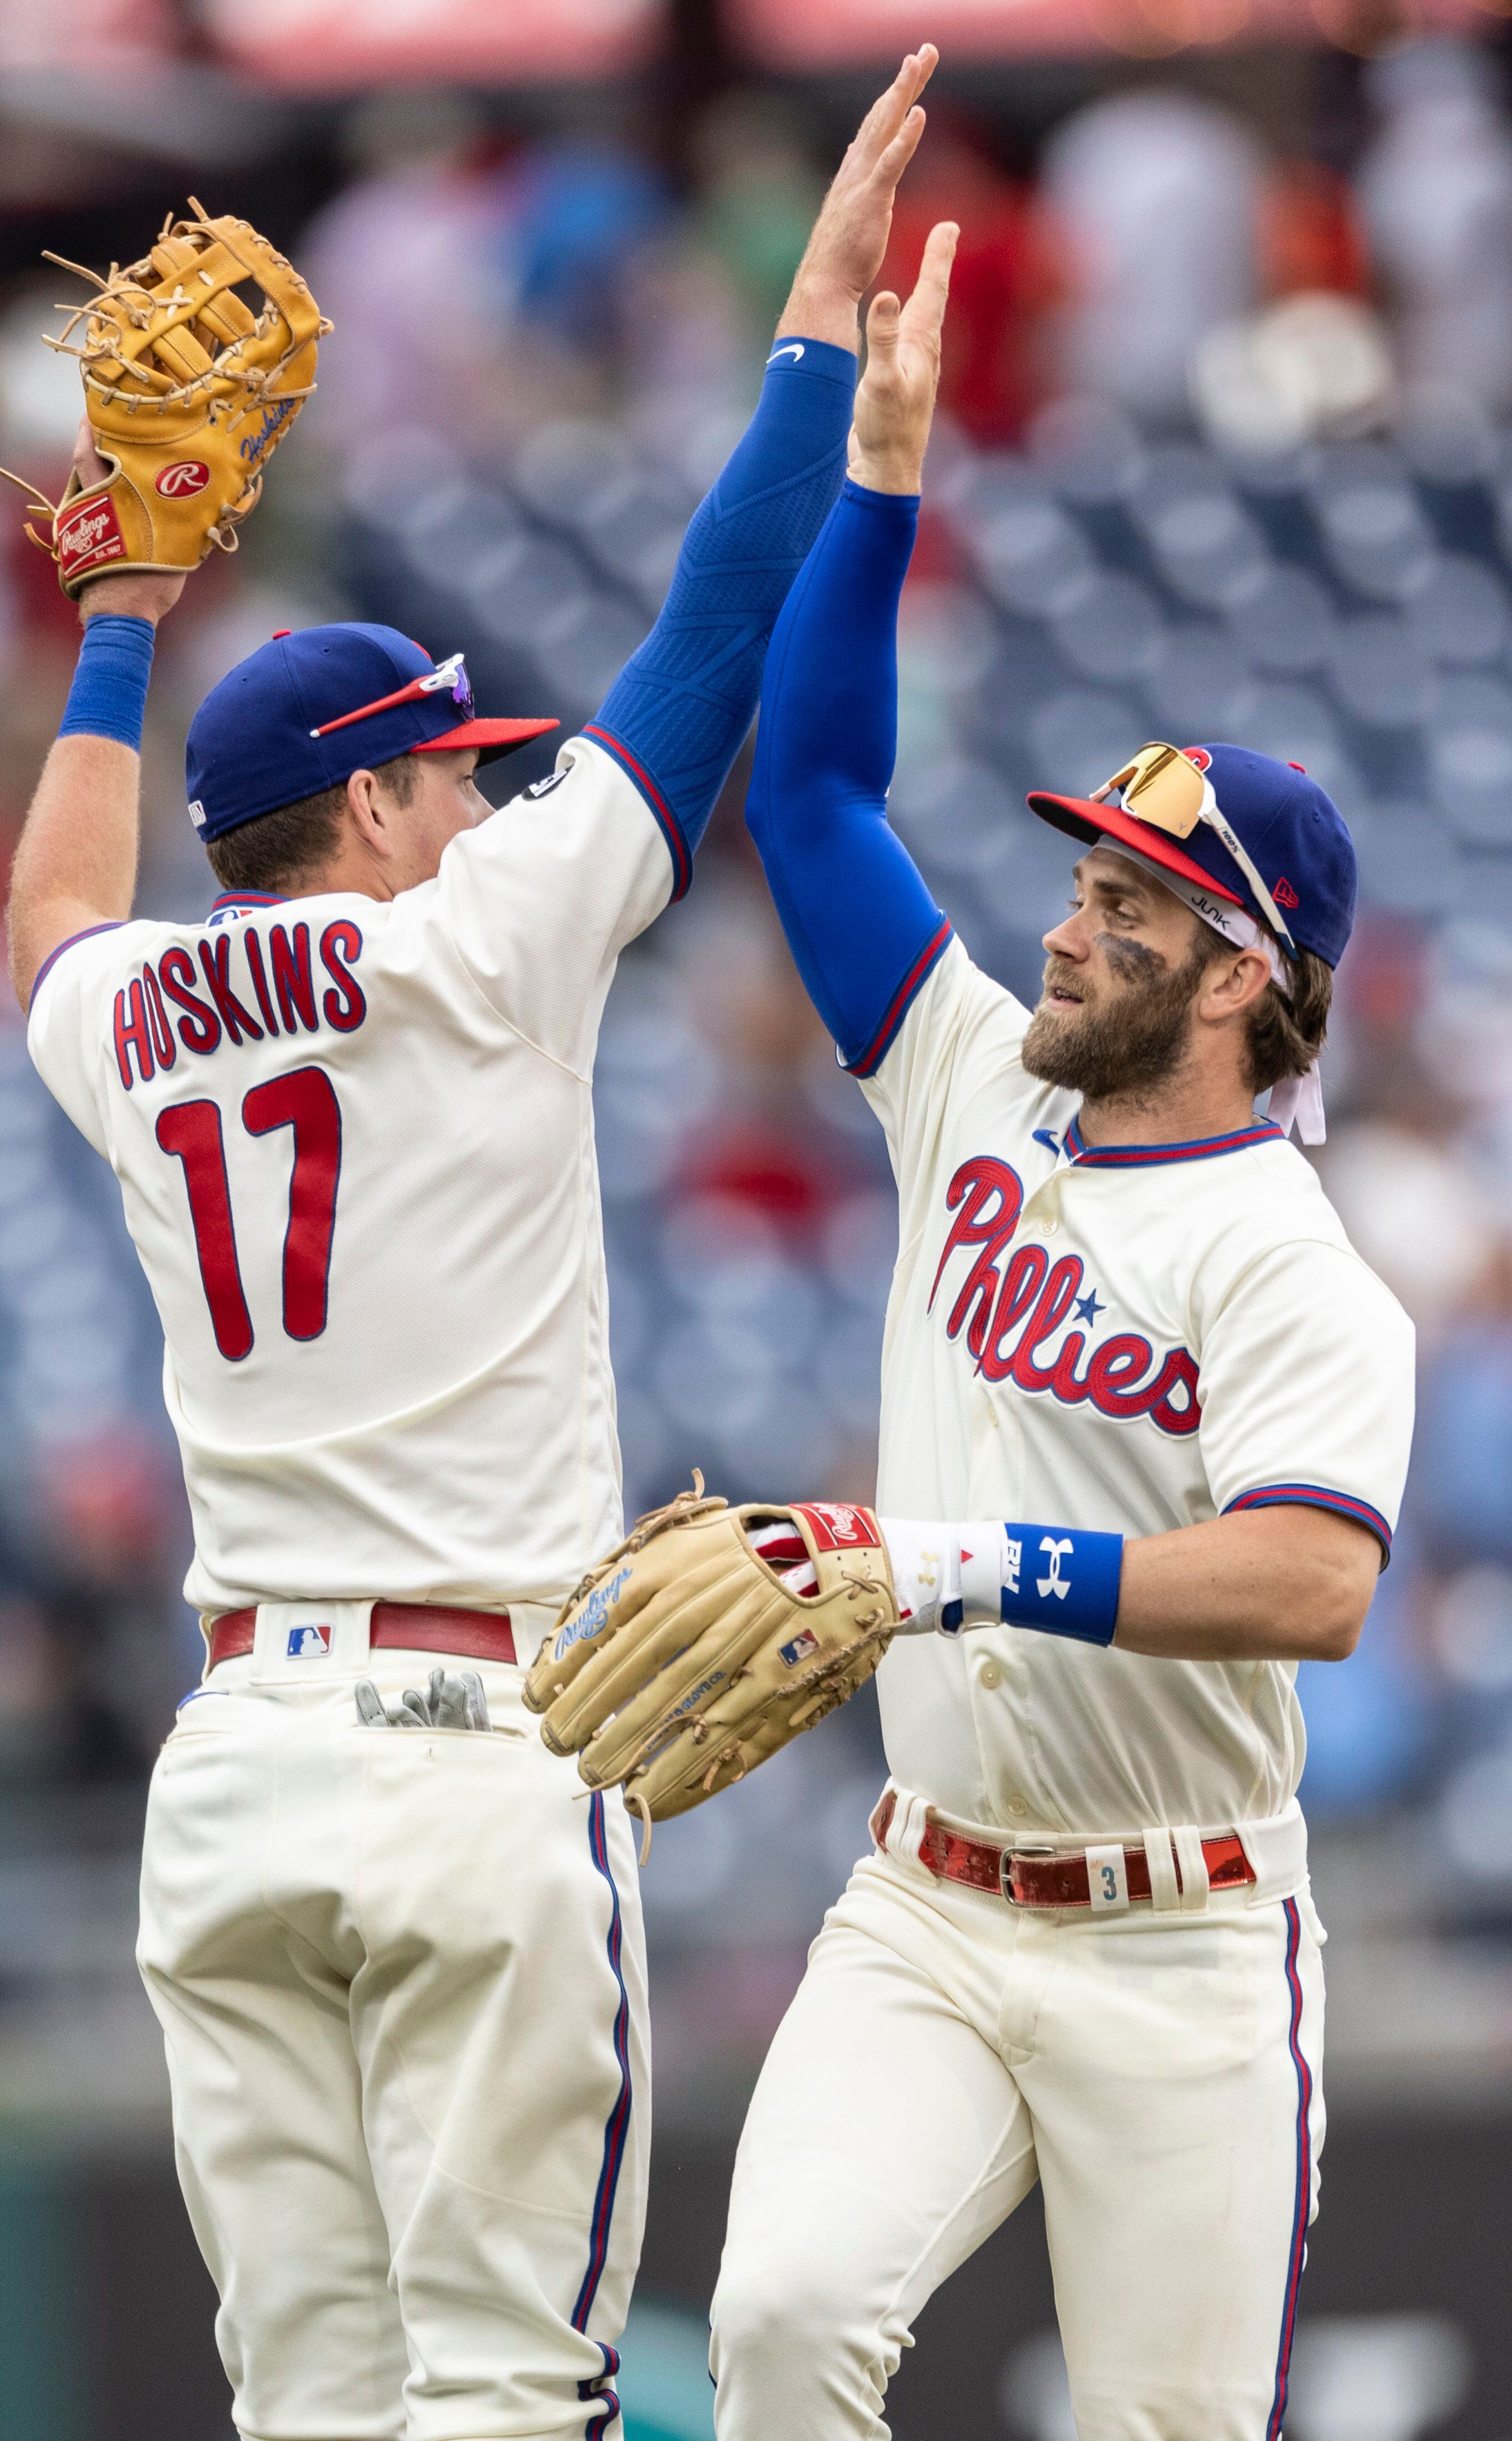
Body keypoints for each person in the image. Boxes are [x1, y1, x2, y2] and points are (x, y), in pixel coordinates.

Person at [2, 51, 939, 2441]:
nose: (498, 795)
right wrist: (812, 339)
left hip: (230, 1769)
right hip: (471, 1745)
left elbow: (46, 909)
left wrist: (117, 609)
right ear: (389, 800)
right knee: (510, 2398)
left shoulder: (128, 1010)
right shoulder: (477, 942)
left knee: (307, 2404)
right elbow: (708, 648)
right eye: (460, 770)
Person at [706, 218, 1416, 2438]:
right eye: (1084, 879)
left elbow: (1309, 1579)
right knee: (781, 2315)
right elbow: (809, 791)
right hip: (926, 1897)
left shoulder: (1288, 1259)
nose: (1070, 918)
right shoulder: (969, 1079)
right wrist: (880, 476)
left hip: (1184, 1943)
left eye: (1129, 903)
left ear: (1239, 977)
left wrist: (952, 1564)